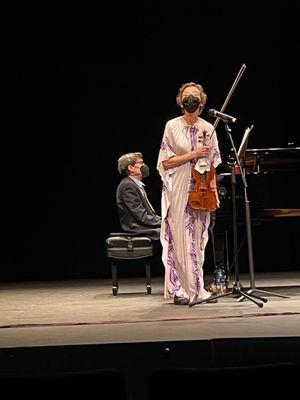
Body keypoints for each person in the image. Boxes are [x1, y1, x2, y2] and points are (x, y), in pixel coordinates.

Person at [156, 82, 222, 305]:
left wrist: (212, 188)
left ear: (201, 103)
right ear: (180, 101)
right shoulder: (171, 126)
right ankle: (181, 290)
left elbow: (214, 163)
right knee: (180, 239)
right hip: (179, 187)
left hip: (201, 189)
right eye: (186, 96)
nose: (190, 99)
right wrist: (192, 154)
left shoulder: (209, 128)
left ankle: (197, 287)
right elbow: (166, 161)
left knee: (198, 241)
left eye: (194, 96)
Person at [116, 152, 161, 240]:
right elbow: (141, 216)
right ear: (131, 168)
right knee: (170, 232)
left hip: (144, 225)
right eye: (141, 163)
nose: (144, 165)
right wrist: (164, 222)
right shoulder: (127, 185)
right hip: (137, 228)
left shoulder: (135, 184)